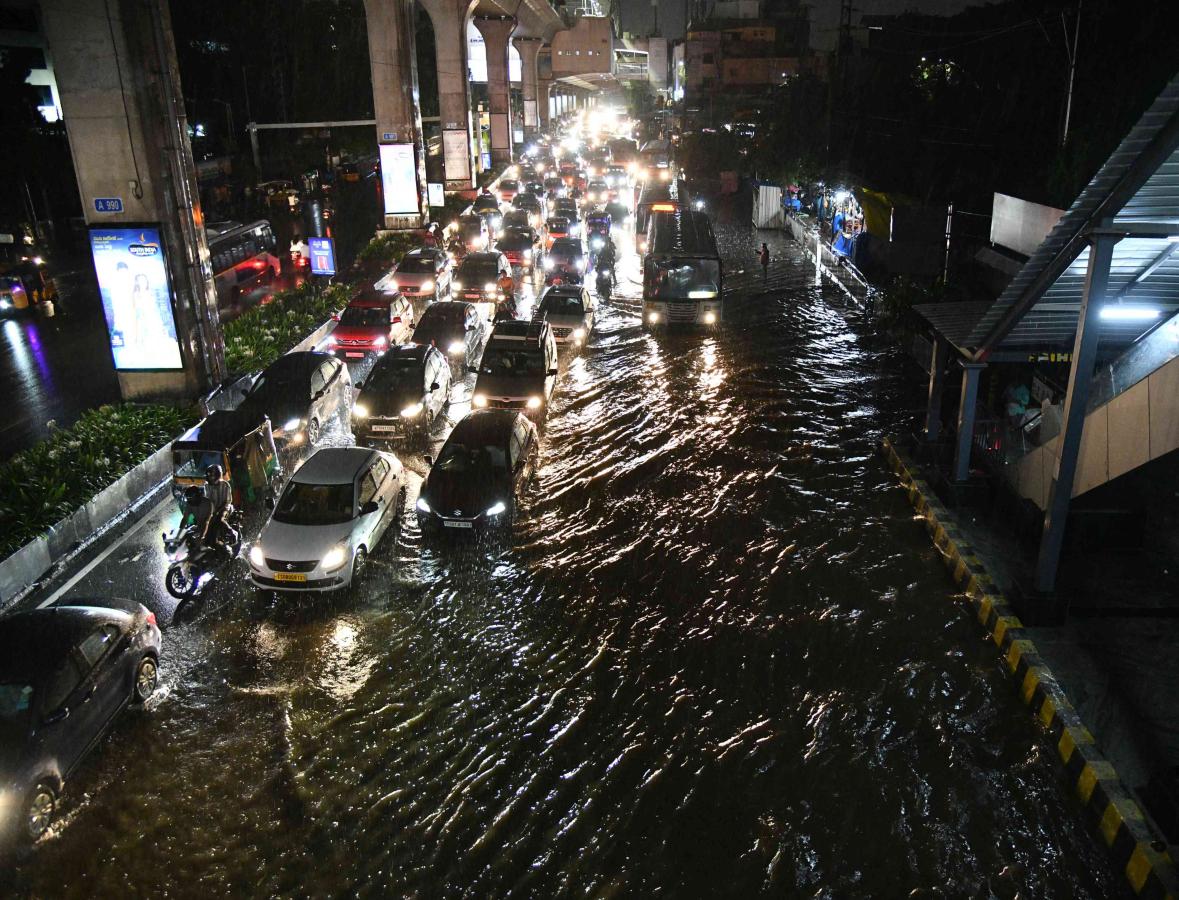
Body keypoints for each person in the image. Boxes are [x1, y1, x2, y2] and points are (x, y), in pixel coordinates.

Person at [197, 464, 231, 552]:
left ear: (217, 476)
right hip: (212, 509)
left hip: (224, 508)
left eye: (210, 476)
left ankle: (231, 533)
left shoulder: (225, 485)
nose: (209, 478)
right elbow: (206, 499)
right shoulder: (207, 485)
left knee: (219, 520)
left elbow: (226, 502)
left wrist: (217, 512)